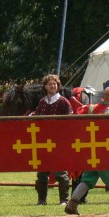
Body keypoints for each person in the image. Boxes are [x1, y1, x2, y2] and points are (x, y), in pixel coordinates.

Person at [64, 87, 109, 215]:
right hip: (107, 154)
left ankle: (72, 204)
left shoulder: (89, 108)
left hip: (91, 152)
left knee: (88, 179)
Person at [32, 74, 72, 205]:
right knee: (42, 173)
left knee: (61, 172)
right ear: (45, 86)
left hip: (59, 142)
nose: (52, 86)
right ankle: (41, 200)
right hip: (44, 142)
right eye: (50, 84)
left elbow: (70, 121)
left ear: (58, 86)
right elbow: (37, 119)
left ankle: (64, 200)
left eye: (54, 84)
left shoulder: (63, 102)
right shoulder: (42, 102)